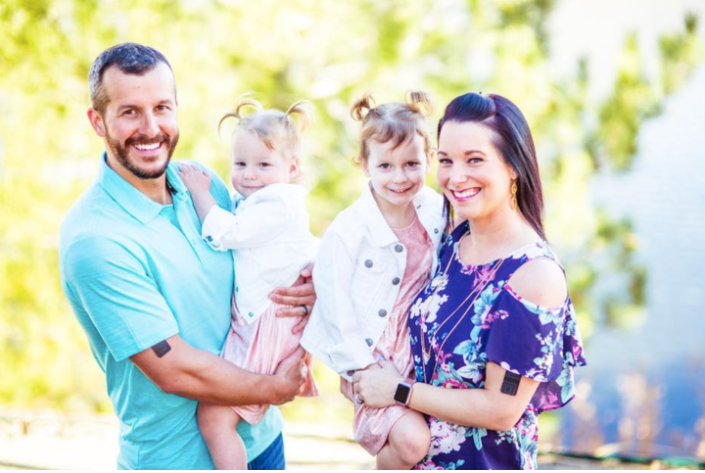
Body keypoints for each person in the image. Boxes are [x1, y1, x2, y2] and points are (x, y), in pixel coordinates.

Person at [59, 43, 315, 470]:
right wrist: (273, 387)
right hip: (177, 459)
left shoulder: (204, 184)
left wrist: (306, 285)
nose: (150, 127)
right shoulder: (95, 239)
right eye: (129, 112)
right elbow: (175, 369)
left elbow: (268, 250)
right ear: (97, 121)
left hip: (263, 440)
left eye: (162, 107)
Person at [352, 92, 587, 469]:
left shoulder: (533, 277)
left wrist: (397, 390)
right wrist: (314, 279)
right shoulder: (455, 238)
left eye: (474, 160)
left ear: (513, 166)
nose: (455, 177)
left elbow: (501, 409)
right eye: (445, 160)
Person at [301, 92, 446, 469]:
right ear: (364, 164)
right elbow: (334, 306)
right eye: (386, 166)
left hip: (421, 357)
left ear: (429, 159)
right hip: (373, 358)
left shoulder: (437, 209)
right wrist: (361, 370)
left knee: (435, 446)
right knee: (413, 442)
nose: (400, 178)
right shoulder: (349, 231)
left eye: (412, 163)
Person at [178, 95, 319, 469]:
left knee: (213, 416)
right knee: (218, 416)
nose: (249, 174)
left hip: (267, 322)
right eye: (240, 164)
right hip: (261, 318)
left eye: (263, 164)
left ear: (292, 167)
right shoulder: (261, 200)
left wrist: (199, 193)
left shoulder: (277, 204)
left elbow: (230, 233)